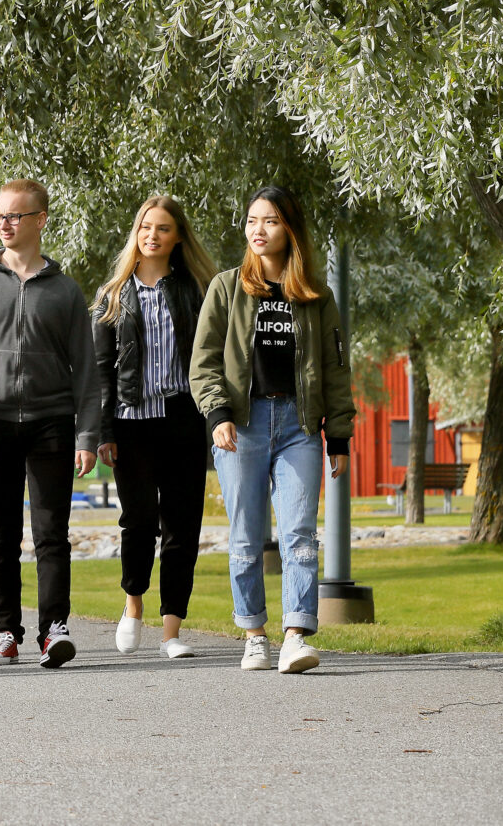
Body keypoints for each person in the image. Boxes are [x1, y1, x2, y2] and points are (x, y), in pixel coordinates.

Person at [190, 185, 355, 674]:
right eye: (252, 221)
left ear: (290, 229)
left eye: (270, 221)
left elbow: (335, 369)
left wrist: (339, 436)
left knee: (300, 533)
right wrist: (217, 415)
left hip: (299, 427)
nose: (258, 230)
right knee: (245, 536)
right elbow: (203, 363)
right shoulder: (225, 288)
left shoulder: (316, 296)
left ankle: (295, 636)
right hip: (242, 426)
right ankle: (254, 635)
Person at [0, 180, 101, 670]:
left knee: (51, 533)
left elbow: (86, 370)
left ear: (40, 219)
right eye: (0, 215)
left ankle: (54, 630)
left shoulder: (65, 291)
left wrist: (87, 435)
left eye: (15, 216)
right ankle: (5, 632)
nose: (5, 224)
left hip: (51, 422)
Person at [92, 195, 216, 658]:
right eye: (146, 226)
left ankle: (171, 633)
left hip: (183, 420)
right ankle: (132, 606)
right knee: (139, 521)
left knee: (182, 527)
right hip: (131, 425)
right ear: (136, 232)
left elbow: (209, 359)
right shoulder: (113, 295)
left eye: (163, 228)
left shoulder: (197, 291)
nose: (152, 235)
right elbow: (101, 370)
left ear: (177, 237)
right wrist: (103, 431)